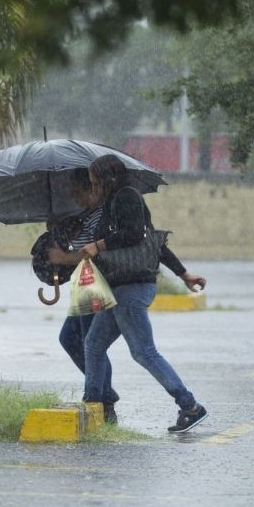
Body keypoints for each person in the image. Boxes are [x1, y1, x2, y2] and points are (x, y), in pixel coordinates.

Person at [80, 154, 209, 433]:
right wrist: (184, 274)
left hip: (132, 286)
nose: (93, 188)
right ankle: (92, 405)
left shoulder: (126, 197)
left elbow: (136, 236)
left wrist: (98, 245)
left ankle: (190, 406)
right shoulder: (113, 203)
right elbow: (154, 242)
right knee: (93, 344)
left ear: (107, 178)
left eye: (95, 182)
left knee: (143, 352)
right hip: (119, 287)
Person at [46, 170, 120, 423]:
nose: (76, 199)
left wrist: (63, 257)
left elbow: (90, 253)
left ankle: (104, 399)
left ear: (94, 189)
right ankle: (103, 393)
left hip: (96, 284)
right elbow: (79, 245)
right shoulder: (86, 216)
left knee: (92, 345)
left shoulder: (102, 216)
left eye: (80, 193)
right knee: (71, 338)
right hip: (84, 284)